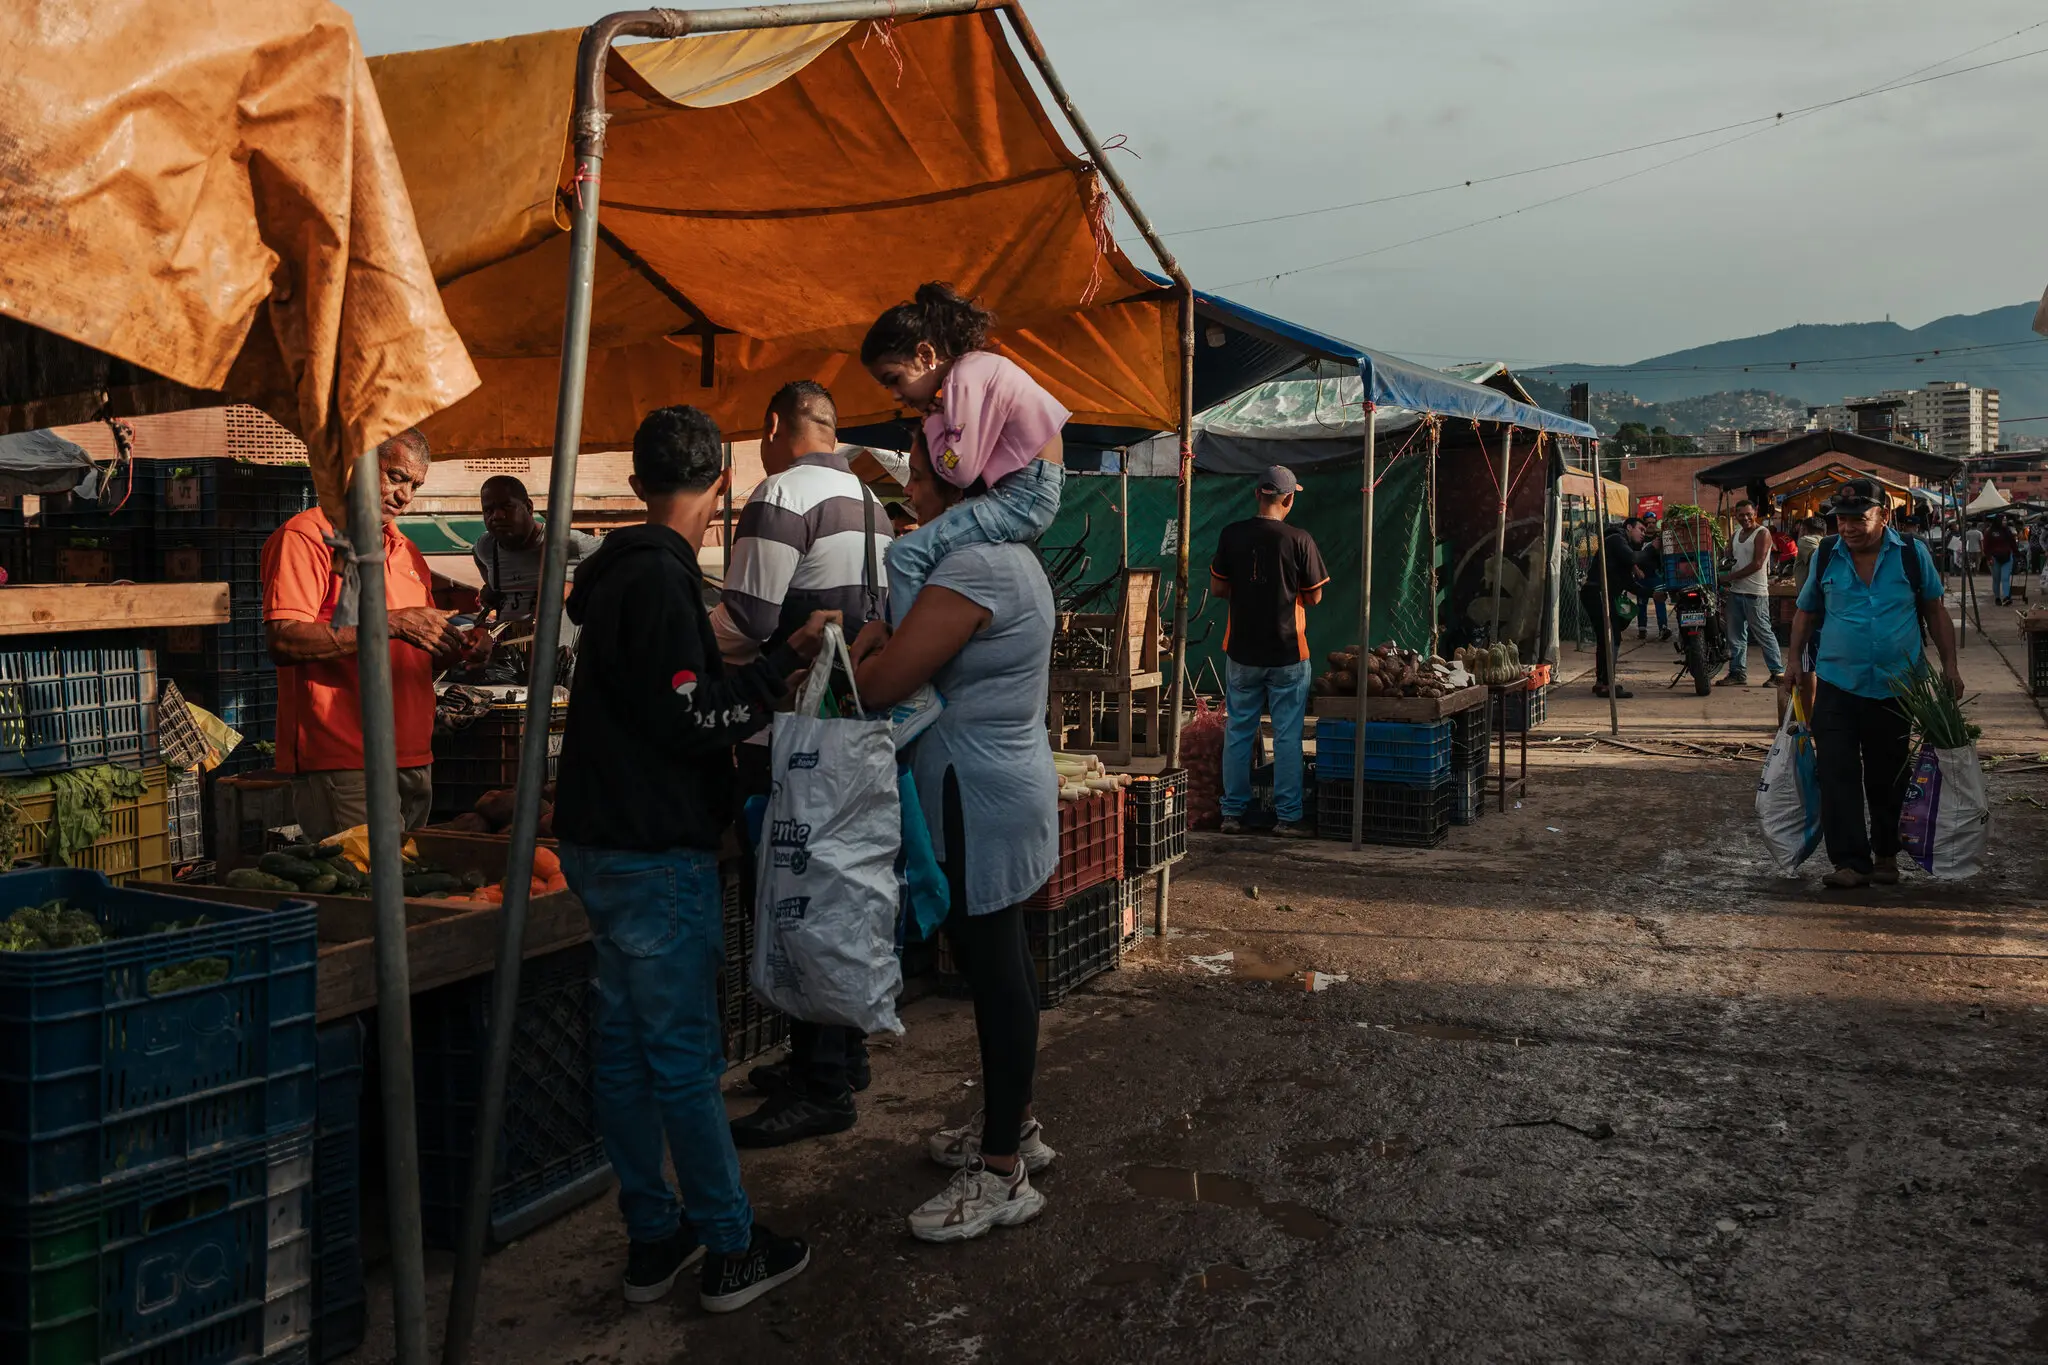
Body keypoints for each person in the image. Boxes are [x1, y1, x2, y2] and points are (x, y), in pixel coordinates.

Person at [554, 404, 832, 1310]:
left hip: (600, 846)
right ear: (722, 486)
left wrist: (749, 667)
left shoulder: (617, 580)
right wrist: (773, 668)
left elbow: (664, 698)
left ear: (637, 487)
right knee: (679, 1058)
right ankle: (728, 1242)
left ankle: (652, 1234)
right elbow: (691, 717)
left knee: (629, 1054)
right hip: (653, 853)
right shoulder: (663, 582)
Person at [847, 434, 1059, 1244]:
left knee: (995, 965)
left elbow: (883, 682)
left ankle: (1004, 1170)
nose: (908, 476)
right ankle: (1019, 1125)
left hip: (977, 792)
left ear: (957, 478)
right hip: (1001, 779)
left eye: (919, 460)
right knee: (999, 957)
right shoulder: (1010, 555)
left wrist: (861, 648)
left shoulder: (970, 567)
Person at [713, 380, 894, 1149]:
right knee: (833, 887)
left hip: (786, 731)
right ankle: (836, 1054)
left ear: (774, 424)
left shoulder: (781, 492)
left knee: (793, 893)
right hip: (849, 730)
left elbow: (746, 620)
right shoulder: (870, 498)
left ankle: (821, 1081)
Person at [263, 429, 465, 839]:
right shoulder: (307, 536)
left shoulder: (408, 551)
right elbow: (283, 640)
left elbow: (415, 651)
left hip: (412, 756)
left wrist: (458, 647)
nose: (405, 495)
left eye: (415, 485)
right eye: (396, 476)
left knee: (409, 891)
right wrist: (392, 623)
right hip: (345, 757)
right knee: (365, 892)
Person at [1784, 478, 1962, 891]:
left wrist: (1950, 666)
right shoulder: (1826, 554)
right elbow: (1806, 612)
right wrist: (1794, 660)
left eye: (1857, 518)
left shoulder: (1912, 555)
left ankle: (1885, 854)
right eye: (1841, 519)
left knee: (1888, 774)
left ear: (1883, 516)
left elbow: (1935, 613)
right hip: (1836, 682)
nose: (1847, 527)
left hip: (1896, 685)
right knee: (1836, 772)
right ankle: (1851, 861)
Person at [860, 282, 1068, 620]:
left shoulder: (963, 377)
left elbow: (958, 468)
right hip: (1027, 490)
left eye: (894, 379)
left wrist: (931, 420)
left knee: (905, 556)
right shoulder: (975, 371)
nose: (896, 396)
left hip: (1022, 495)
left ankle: (903, 649)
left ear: (926, 356)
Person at [1208, 465, 1329, 837]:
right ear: (1289, 499)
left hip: (1241, 652)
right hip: (1288, 654)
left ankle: (1231, 814)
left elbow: (1218, 588)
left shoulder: (1231, 535)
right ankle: (1288, 818)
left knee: (1239, 731)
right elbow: (1315, 595)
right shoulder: (1299, 539)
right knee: (1288, 736)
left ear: (1256, 495)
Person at [472, 474, 600, 620]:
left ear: (529, 507)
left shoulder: (569, 542)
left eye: (507, 506)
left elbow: (625, 558)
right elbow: (477, 555)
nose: (497, 516)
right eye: (488, 510)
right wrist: (491, 585)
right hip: (510, 640)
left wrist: (580, 588)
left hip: (561, 643)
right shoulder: (487, 546)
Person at [1581, 516, 1654, 699]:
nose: (1643, 535)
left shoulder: (1619, 545)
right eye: (1641, 530)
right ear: (1629, 527)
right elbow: (1632, 556)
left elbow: (1629, 584)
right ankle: (1607, 684)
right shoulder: (1616, 539)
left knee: (1606, 638)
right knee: (1611, 637)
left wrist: (1653, 594)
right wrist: (1653, 547)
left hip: (1599, 594)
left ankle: (1601, 682)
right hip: (1598, 593)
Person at [1718, 499, 1784, 688]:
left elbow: (1757, 564)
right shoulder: (1736, 534)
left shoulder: (1762, 533)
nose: (1745, 518)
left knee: (1764, 633)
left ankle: (1778, 673)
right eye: (1741, 515)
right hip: (1736, 593)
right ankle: (1737, 672)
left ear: (1755, 513)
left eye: (1749, 514)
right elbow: (1728, 557)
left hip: (1755, 594)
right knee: (1735, 635)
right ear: (1735, 516)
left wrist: (1730, 577)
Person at [1984, 516, 2018, 606]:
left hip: (2007, 557)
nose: (2005, 522)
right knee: (1996, 579)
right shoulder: (1990, 532)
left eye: (2006, 520)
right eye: (2003, 520)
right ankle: (1997, 597)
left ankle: (2007, 597)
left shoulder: (2008, 531)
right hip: (1994, 558)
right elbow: (1986, 546)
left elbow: (2013, 543)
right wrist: (1989, 558)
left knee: (2005, 578)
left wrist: (2017, 553)